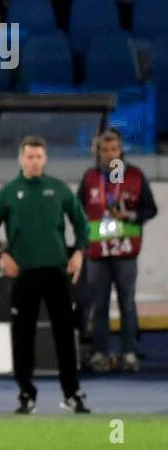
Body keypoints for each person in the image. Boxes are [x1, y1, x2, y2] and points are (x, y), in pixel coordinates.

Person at [0, 136, 90, 414]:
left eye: (39, 157)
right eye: (29, 157)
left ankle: (72, 393)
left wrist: (79, 251)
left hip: (56, 271)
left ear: (45, 159)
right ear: (21, 159)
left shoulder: (58, 189)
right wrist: (2, 254)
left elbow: (81, 222)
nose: (34, 161)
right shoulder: (9, 192)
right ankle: (25, 393)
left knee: (65, 335)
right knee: (23, 336)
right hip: (24, 273)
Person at [79, 129, 157, 373]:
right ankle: (101, 353)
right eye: (104, 150)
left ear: (121, 150)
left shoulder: (134, 176)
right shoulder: (90, 177)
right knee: (99, 305)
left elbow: (150, 209)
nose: (109, 154)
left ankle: (129, 352)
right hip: (98, 253)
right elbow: (77, 208)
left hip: (126, 251)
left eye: (114, 149)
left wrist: (131, 215)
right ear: (97, 152)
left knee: (127, 304)